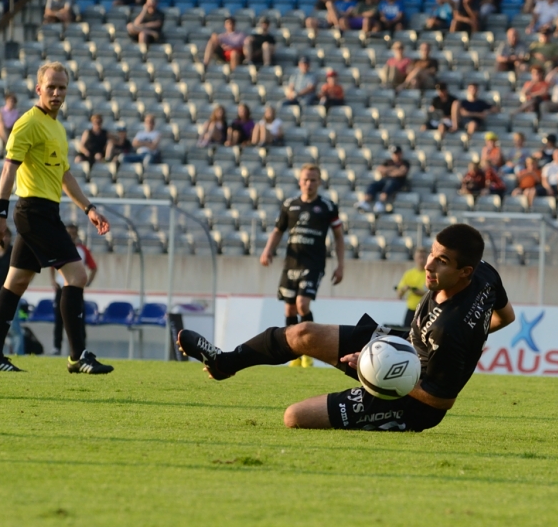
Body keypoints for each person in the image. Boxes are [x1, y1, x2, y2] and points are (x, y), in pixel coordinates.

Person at [179, 224, 514, 431]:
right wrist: (475, 337)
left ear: (465, 272)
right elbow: (505, 316)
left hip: (414, 402)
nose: (428, 265)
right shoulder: (485, 273)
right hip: (403, 346)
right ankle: (224, 363)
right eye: (432, 253)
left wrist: (381, 373)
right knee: (303, 333)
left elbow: (441, 402)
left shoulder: (449, 331)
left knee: (293, 417)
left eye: (442, 262)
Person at [0, 63, 112, 373]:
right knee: (77, 276)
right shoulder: (27, 123)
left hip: (45, 212)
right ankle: (77, 356)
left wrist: (89, 208)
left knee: (15, 283)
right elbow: (9, 168)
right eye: (51, 87)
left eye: (62, 88)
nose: (57, 92)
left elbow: (65, 175)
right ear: (38, 88)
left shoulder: (56, 127)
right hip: (33, 212)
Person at [257, 164, 344, 368]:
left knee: (302, 304)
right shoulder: (290, 205)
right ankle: (293, 353)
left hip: (313, 264)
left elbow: (339, 237)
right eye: (305, 179)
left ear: (319, 182)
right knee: (289, 309)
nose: (309, 183)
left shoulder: (327, 207)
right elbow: (278, 230)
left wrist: (340, 266)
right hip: (291, 263)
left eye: (313, 180)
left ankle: (309, 349)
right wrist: (267, 250)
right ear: (300, 182)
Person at [48, 224, 96, 356]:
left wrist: (88, 281)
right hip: (61, 288)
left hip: (75, 288)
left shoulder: (82, 250)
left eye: (73, 233)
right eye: (68, 232)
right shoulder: (59, 247)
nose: (70, 235)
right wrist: (53, 280)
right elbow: (52, 266)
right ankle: (57, 346)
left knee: (79, 318)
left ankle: (80, 347)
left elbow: (93, 267)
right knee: (59, 318)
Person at [0, 228, 23, 356]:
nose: (5, 239)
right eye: (3, 236)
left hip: (10, 296)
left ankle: (19, 354)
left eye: (7, 236)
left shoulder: (14, 253)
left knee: (14, 328)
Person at [357, 146, 411, 213]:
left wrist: (388, 171)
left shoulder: (404, 162)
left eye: (397, 153)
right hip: (385, 180)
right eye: (394, 153)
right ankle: (365, 201)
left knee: (389, 185)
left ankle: (381, 203)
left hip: (397, 182)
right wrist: (394, 169)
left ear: (400, 153)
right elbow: (380, 169)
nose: (395, 155)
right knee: (373, 185)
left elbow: (402, 172)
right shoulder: (388, 161)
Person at [395, 247, 429, 328]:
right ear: (415, 258)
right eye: (419, 257)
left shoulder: (430, 274)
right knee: (406, 333)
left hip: (426, 310)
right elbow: (399, 295)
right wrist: (404, 289)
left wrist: (420, 293)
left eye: (423, 257)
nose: (421, 260)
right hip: (411, 310)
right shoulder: (409, 274)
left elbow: (434, 293)